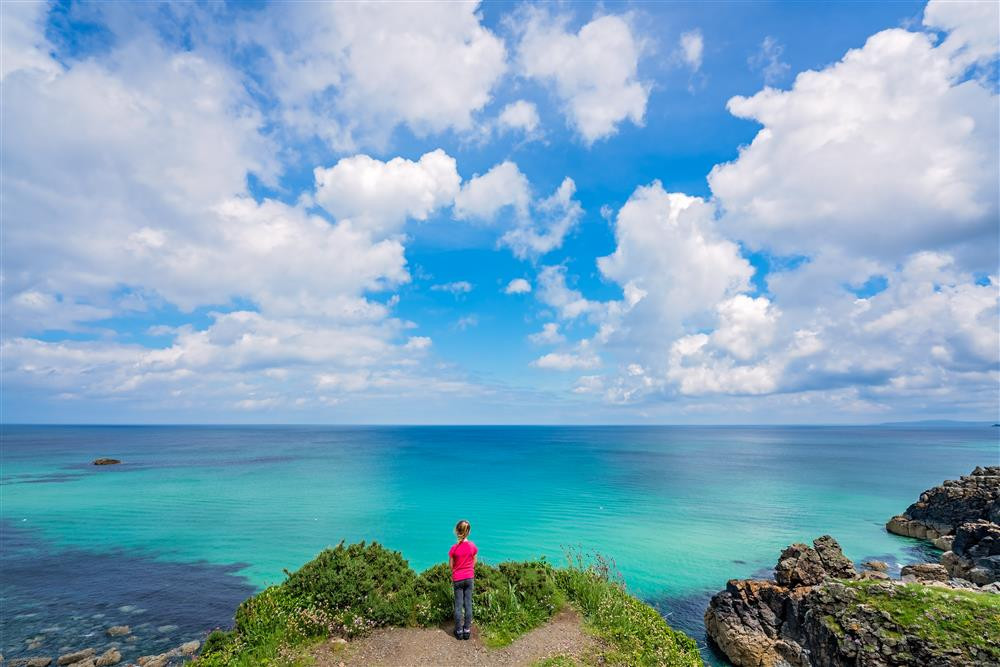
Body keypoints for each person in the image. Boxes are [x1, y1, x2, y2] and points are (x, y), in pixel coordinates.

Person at [449, 519, 477, 640]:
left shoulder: (454, 548)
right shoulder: (472, 546)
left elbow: (451, 565)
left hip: (458, 579)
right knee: (468, 603)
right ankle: (467, 630)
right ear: (468, 532)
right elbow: (474, 561)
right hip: (469, 577)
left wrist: (458, 570)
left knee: (458, 605)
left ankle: (459, 631)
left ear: (457, 531)